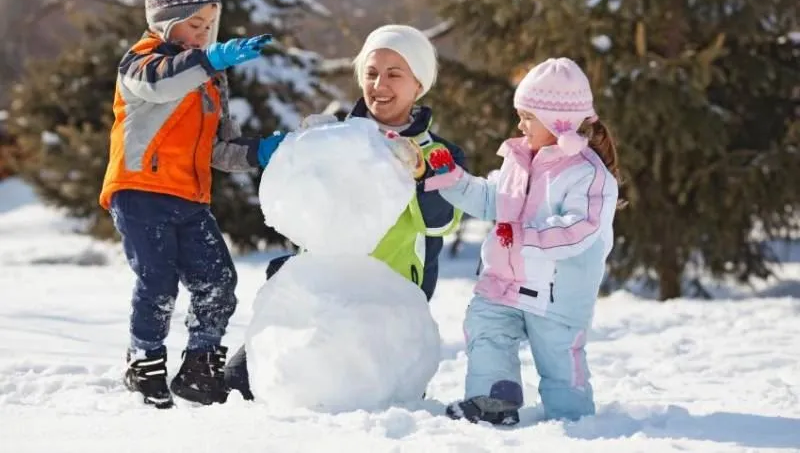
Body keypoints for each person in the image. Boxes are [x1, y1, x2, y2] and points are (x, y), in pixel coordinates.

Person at [224, 24, 466, 401]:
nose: (379, 84)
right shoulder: (337, 135)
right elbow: (298, 206)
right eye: (371, 73)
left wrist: (420, 174)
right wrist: (304, 153)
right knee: (240, 382)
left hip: (387, 298)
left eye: (394, 74)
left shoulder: (440, 154)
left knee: (369, 396)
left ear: (419, 84)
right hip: (321, 291)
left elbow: (441, 222)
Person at [99, 0, 285, 409]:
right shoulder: (141, 62)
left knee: (218, 281)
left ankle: (201, 364)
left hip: (191, 197)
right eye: (192, 24)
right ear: (165, 23)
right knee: (158, 281)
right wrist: (211, 58)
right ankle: (144, 359)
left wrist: (262, 151)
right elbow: (161, 84)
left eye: (209, 26)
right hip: (140, 192)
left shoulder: (209, 80)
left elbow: (220, 149)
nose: (203, 35)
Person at [424, 58, 621, 425]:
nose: (520, 124)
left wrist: (523, 237)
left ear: (557, 121)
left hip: (556, 300)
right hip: (504, 283)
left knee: (560, 364)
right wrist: (452, 179)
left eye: (528, 116)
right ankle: (493, 399)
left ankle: (576, 421)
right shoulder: (518, 160)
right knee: (485, 329)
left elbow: (579, 229)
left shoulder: (588, 176)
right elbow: (490, 199)